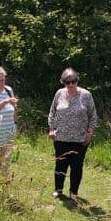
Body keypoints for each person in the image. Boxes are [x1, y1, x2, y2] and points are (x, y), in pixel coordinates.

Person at [47, 68, 98, 200]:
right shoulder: (59, 93)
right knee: (60, 164)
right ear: (63, 82)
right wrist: (51, 129)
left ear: (77, 81)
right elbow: (52, 112)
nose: (70, 85)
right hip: (61, 137)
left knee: (77, 166)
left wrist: (89, 132)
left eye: (73, 81)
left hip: (80, 138)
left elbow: (93, 115)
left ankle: (73, 192)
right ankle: (58, 190)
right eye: (67, 82)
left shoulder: (86, 95)